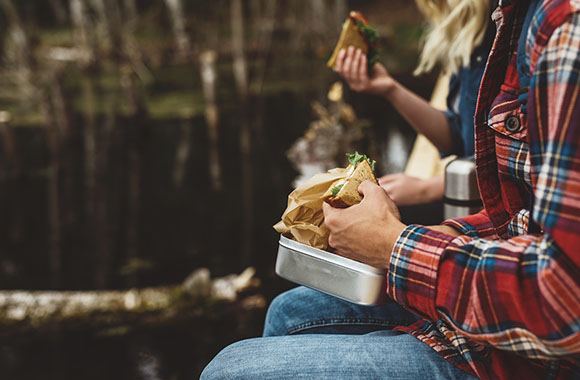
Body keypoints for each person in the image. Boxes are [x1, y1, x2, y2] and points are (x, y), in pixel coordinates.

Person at [201, 0, 580, 378]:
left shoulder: (563, 31)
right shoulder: (511, 20)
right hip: (502, 291)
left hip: (533, 355)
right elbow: (523, 212)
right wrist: (428, 236)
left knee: (228, 370)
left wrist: (395, 245)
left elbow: (565, 300)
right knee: (288, 313)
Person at [337, 0, 494, 208]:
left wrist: (428, 189)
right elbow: (460, 137)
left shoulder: (509, 28)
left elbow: (518, 156)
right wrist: (390, 88)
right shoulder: (470, 33)